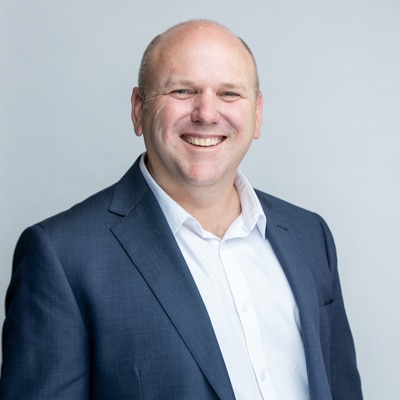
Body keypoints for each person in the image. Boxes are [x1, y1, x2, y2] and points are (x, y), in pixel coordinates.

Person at [0, 19, 362, 399]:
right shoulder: (63, 256)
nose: (206, 113)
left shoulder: (309, 235)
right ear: (139, 109)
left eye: (229, 94)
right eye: (182, 90)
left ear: (257, 113)